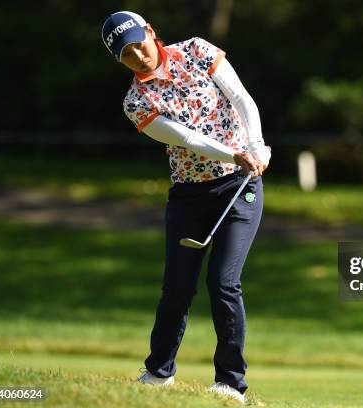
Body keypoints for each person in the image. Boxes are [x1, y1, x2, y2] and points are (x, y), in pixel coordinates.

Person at [101, 11, 271, 404]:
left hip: (239, 185)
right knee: (177, 288)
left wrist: (256, 146)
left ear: (151, 32)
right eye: (126, 55)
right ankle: (159, 372)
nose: (138, 56)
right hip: (189, 196)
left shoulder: (198, 50)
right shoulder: (136, 101)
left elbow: (241, 99)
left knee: (223, 282)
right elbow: (187, 139)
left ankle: (230, 382)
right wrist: (235, 152)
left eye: (138, 44)